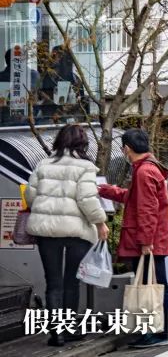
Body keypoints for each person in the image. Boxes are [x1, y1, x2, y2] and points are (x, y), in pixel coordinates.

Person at [24, 125, 109, 347]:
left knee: (53, 283)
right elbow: (87, 199)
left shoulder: (43, 164)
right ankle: (69, 330)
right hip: (76, 231)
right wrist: (100, 223)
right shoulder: (85, 167)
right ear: (82, 144)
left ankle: (56, 334)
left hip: (46, 231)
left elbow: (31, 195)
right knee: (71, 282)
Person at [97, 129, 168, 349]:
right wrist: (106, 191)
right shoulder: (150, 168)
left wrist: (145, 242)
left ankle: (156, 332)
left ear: (127, 149)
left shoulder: (143, 172)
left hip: (149, 243)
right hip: (154, 240)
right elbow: (135, 199)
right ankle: (156, 330)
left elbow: (147, 210)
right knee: (155, 286)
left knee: (152, 287)